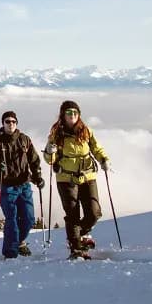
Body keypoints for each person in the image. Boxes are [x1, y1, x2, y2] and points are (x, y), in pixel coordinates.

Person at [43, 100, 110, 260]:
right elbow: (49, 159)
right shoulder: (56, 134)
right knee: (72, 213)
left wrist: (103, 159)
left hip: (87, 175)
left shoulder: (86, 131)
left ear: (78, 114)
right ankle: (76, 248)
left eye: (74, 112)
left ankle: (78, 235)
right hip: (66, 178)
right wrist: (49, 151)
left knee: (94, 212)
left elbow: (96, 147)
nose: (72, 115)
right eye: (68, 112)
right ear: (63, 115)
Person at [0, 110, 43, 259]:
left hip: (24, 184)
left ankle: (19, 242)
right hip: (7, 186)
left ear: (16, 123)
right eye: (7, 121)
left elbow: (34, 160)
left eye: (13, 121)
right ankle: (11, 252)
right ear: (3, 123)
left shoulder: (24, 140)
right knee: (12, 218)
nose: (11, 124)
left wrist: (37, 177)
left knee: (29, 219)